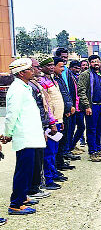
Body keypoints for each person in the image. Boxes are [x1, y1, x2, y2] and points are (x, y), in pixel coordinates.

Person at [4, 58, 45, 215]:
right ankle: (15, 204)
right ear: (21, 73)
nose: (33, 71)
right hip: (24, 136)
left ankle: (23, 196)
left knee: (29, 169)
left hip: (31, 135)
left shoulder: (25, 87)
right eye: (30, 69)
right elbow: (11, 115)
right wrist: (7, 134)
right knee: (23, 170)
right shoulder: (17, 89)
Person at [38, 56, 66, 190]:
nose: (50, 67)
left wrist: (60, 120)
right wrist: (52, 122)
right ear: (42, 67)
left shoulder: (53, 79)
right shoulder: (42, 81)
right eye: (48, 65)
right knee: (49, 152)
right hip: (51, 122)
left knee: (54, 150)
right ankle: (48, 179)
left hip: (58, 120)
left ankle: (53, 174)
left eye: (51, 65)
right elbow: (47, 104)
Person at [78, 55, 101, 162]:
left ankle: (98, 149)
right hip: (92, 106)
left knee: (100, 128)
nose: (96, 63)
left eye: (97, 61)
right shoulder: (85, 75)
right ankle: (92, 152)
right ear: (89, 63)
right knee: (91, 129)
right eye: (93, 62)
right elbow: (81, 91)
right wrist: (87, 106)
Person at [27, 59, 52, 199]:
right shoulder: (28, 86)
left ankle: (35, 186)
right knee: (34, 160)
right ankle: (33, 188)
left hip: (40, 126)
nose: (38, 69)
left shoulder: (35, 83)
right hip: (34, 128)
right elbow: (35, 109)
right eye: (35, 67)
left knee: (38, 158)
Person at [53, 57, 78, 168]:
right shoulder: (53, 80)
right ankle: (57, 164)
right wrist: (67, 109)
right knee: (58, 140)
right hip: (60, 114)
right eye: (61, 66)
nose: (63, 69)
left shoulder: (59, 78)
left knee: (64, 138)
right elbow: (58, 98)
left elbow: (66, 94)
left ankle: (60, 162)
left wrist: (70, 107)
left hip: (66, 112)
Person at [68, 61, 87, 149]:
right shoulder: (69, 77)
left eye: (78, 68)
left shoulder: (77, 77)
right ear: (70, 67)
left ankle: (72, 145)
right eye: (75, 67)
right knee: (71, 129)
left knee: (81, 127)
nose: (77, 69)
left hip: (79, 107)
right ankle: (69, 148)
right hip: (72, 107)